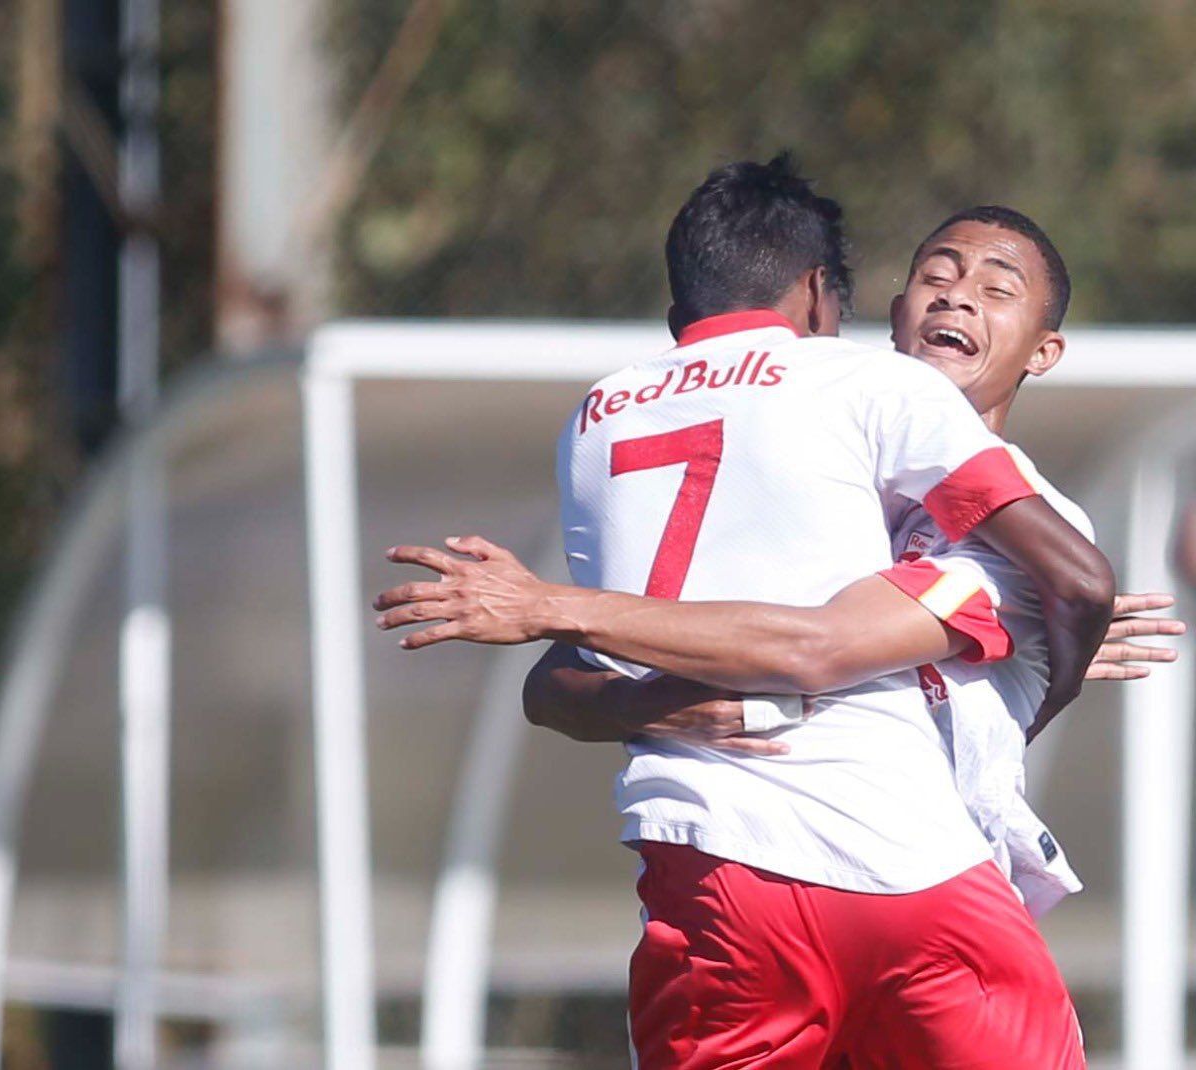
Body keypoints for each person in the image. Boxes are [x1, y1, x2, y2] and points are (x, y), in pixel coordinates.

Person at [376, 158, 1119, 1067]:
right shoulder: (864, 404)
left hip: (708, 870)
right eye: (935, 275)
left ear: (1044, 348)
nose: (957, 300)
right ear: (842, 305)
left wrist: (569, 625)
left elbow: (568, 680)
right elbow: (809, 647)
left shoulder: (596, 419)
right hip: (901, 875)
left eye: (995, 290)